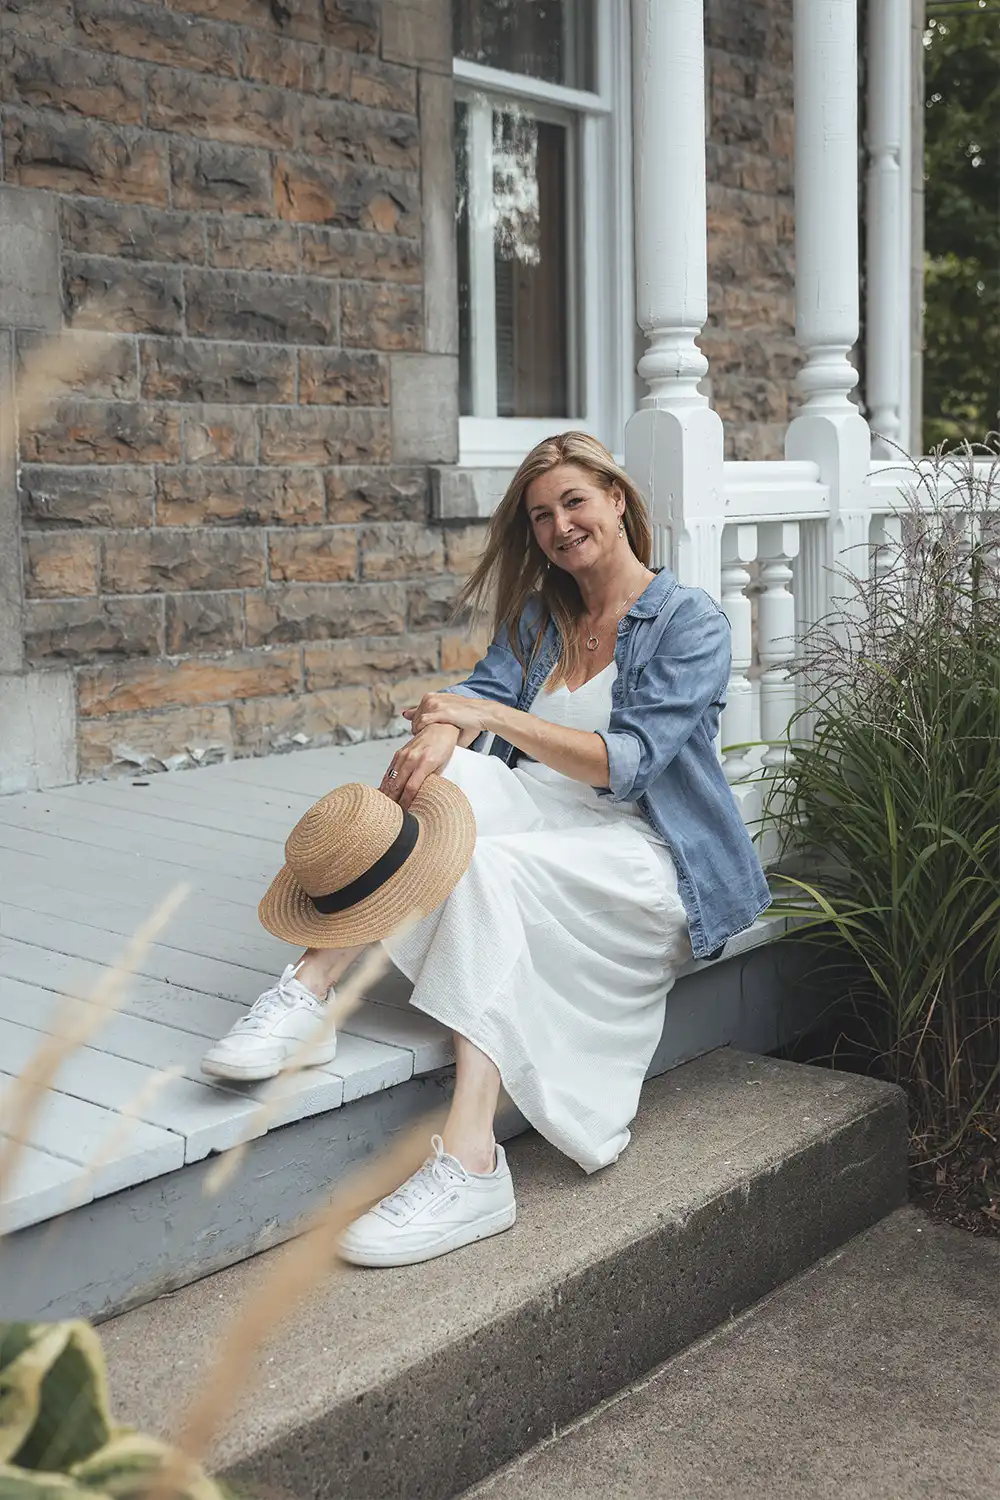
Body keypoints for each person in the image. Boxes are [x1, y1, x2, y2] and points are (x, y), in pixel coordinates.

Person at [200, 432, 772, 1268]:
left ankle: (472, 1163)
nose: (560, 525)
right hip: (549, 813)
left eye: (575, 501)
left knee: (482, 859)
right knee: (445, 786)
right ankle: (312, 991)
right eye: (541, 516)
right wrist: (442, 728)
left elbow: (627, 766)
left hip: (647, 850)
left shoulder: (690, 622)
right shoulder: (545, 617)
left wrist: (482, 719)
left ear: (618, 499)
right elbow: (478, 691)